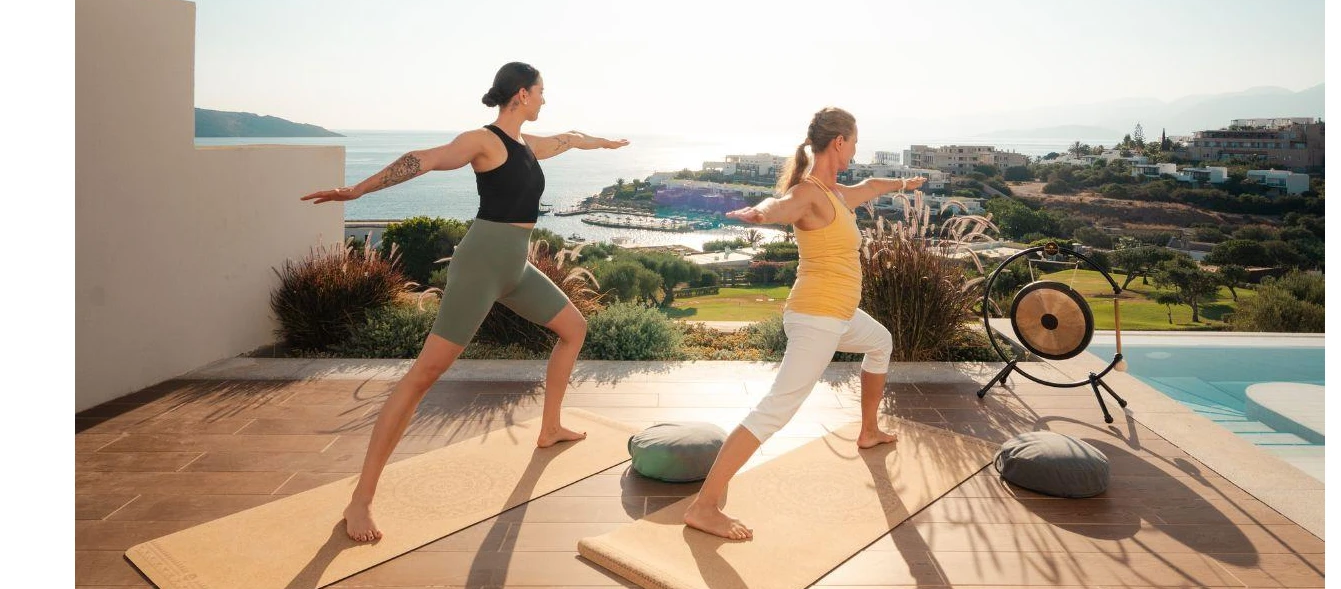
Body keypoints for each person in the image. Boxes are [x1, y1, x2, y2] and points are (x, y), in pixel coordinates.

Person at [300, 62, 629, 542]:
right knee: (424, 376)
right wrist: (357, 190)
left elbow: (571, 137)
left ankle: (550, 426)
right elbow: (424, 159)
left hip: (515, 265)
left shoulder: (527, 146)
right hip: (480, 265)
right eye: (541, 92)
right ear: (521, 93)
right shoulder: (484, 141)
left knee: (573, 329)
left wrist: (604, 143)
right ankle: (360, 500)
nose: (544, 100)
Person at [682, 107, 926, 540]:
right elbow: (782, 205)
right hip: (817, 317)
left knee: (880, 342)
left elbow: (871, 187)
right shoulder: (810, 193)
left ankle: (869, 431)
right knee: (775, 410)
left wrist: (906, 184)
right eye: (854, 141)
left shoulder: (837, 193)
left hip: (839, 315)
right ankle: (705, 505)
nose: (855, 149)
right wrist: (759, 213)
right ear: (839, 143)